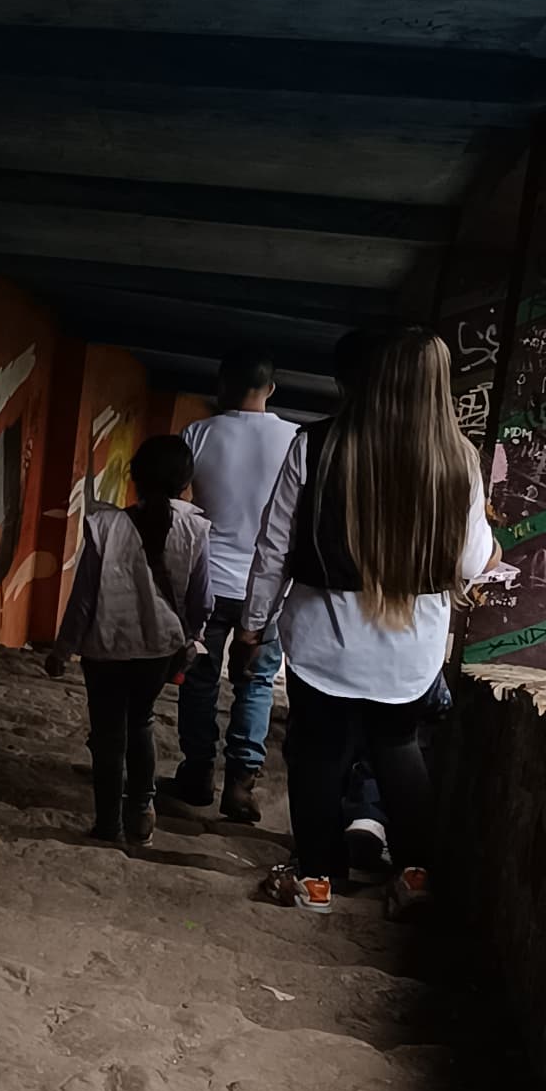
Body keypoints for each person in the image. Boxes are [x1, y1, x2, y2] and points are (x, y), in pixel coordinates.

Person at [242, 323, 491, 914]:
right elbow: (471, 560)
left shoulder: (317, 444)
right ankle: (415, 880)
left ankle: (318, 881)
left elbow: (274, 546)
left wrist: (253, 625)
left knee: (320, 753)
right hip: (411, 648)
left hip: (323, 642)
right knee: (399, 746)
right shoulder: (460, 459)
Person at [47, 433, 210, 850]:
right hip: (158, 649)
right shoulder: (195, 529)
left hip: (105, 649)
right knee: (140, 721)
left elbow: (83, 598)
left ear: (133, 477)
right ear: (185, 484)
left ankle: (108, 824)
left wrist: (63, 650)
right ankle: (141, 808)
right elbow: (202, 599)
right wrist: (190, 638)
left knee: (107, 734)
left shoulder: (105, 527)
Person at [162, 349, 299, 825]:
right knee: (257, 682)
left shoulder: (199, 434)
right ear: (272, 388)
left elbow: (176, 505)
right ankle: (240, 786)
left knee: (198, 679)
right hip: (270, 587)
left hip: (208, 580)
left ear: (223, 384)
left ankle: (197, 773)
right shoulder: (295, 440)